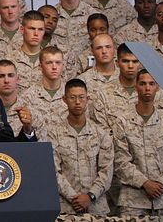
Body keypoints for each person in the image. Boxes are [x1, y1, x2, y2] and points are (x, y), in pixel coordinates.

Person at [112, 69, 163, 216]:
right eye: (142, 83)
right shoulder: (122, 121)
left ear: (157, 87)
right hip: (133, 201)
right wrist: (145, 183)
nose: (147, 88)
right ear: (136, 86)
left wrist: (161, 183)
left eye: (151, 84)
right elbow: (121, 161)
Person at [44, 79, 113, 215]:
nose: (77, 102)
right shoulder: (53, 134)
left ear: (87, 99)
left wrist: (90, 196)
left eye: (81, 97)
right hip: (66, 208)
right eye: (72, 97)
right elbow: (53, 171)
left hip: (96, 207)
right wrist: (74, 198)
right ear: (64, 99)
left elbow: (107, 171)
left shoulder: (101, 134)